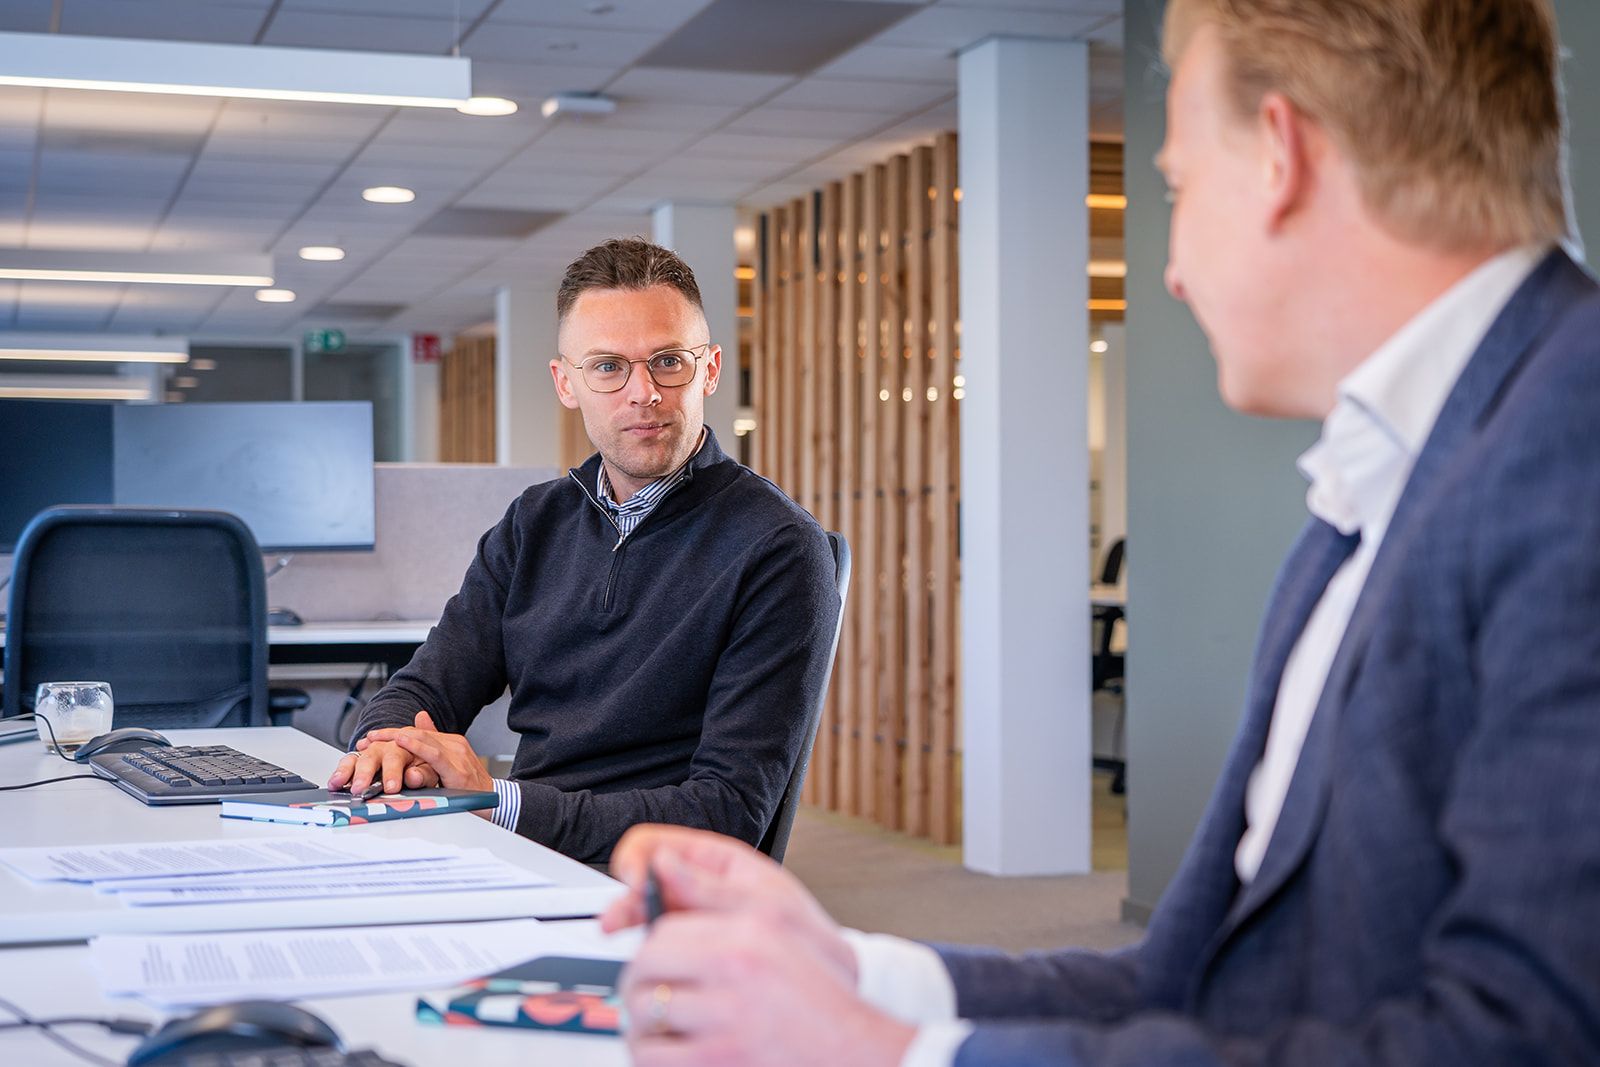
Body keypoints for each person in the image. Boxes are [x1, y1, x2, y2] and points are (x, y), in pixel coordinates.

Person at [598, 0, 1600, 1063]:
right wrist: (856, 975)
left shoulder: (1568, 453)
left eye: (1175, 187)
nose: (1171, 270)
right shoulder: (1382, 489)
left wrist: (893, 1054)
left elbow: (1524, 1040)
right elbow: (1196, 980)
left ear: (1280, 154)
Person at [326, 237, 841, 864]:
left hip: (643, 879)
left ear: (709, 369)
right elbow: (429, 684)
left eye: (668, 361)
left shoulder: (778, 548)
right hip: (521, 853)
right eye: (607, 367)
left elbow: (727, 813)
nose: (643, 392)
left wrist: (497, 802)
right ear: (566, 382)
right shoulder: (535, 522)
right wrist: (388, 743)